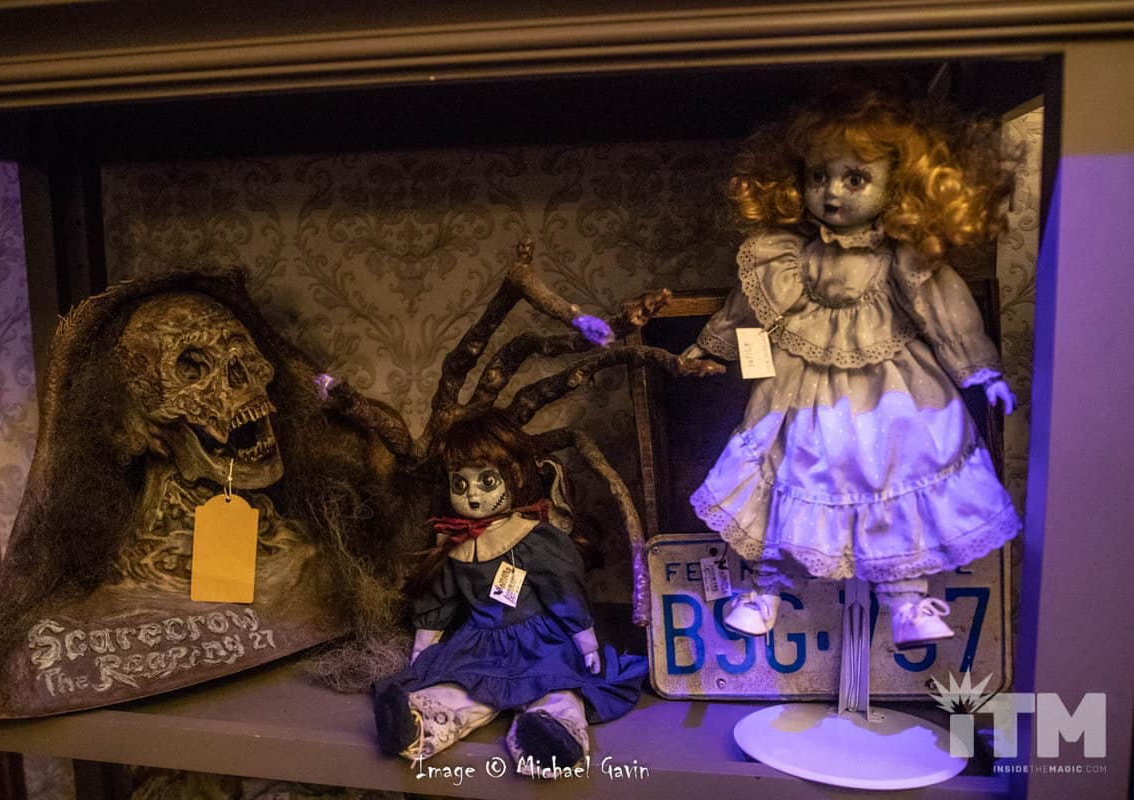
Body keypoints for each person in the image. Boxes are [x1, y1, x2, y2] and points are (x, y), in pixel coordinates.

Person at [684, 87, 1021, 648]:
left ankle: (906, 599)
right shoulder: (785, 256)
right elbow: (751, 307)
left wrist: (980, 370)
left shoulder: (904, 258)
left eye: (855, 178)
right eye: (819, 175)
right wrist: (710, 346)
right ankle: (765, 589)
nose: (833, 192)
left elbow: (947, 312)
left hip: (890, 395)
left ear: (900, 185)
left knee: (893, 483)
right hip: (800, 392)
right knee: (786, 479)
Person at [372, 410, 646, 772]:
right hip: (479, 642)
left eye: (486, 481)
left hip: (539, 640)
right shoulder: (456, 546)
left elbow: (562, 591)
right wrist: (423, 648)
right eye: (460, 484)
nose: (472, 495)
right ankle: (416, 724)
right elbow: (439, 598)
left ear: (513, 476)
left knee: (557, 687)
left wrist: (586, 642)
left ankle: (549, 735)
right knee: (462, 686)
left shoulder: (534, 540)